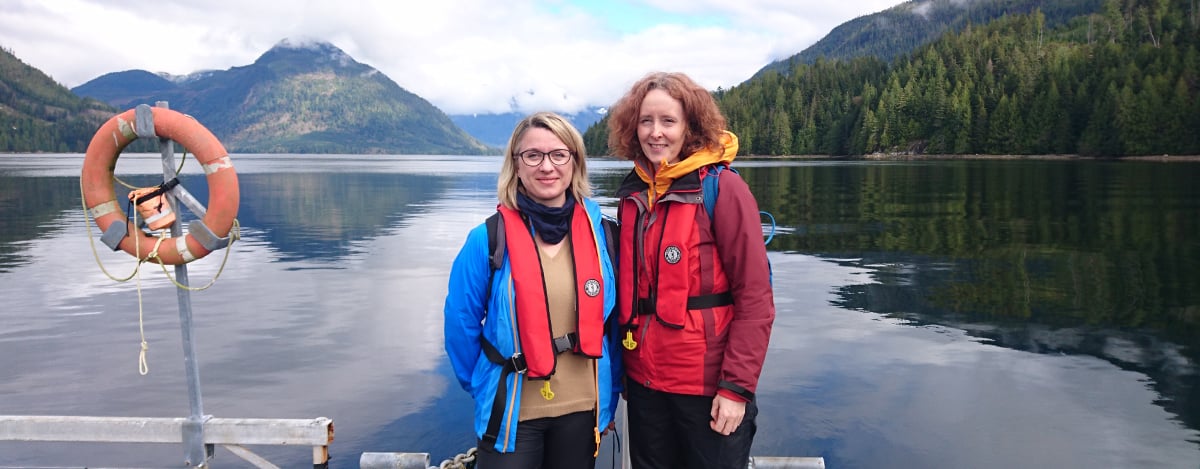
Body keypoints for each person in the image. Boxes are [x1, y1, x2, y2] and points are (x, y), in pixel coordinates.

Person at [606, 71, 776, 468]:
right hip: (645, 385)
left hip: (706, 388)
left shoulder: (723, 188)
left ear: (690, 128)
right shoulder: (633, 195)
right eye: (646, 121)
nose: (656, 133)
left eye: (668, 121)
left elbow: (756, 299)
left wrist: (736, 388)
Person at [443, 111, 621, 468]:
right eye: (533, 155)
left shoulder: (607, 236)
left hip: (583, 411)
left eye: (559, 154)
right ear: (517, 165)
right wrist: (481, 384)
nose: (547, 167)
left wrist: (610, 396)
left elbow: (614, 329)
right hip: (511, 414)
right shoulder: (487, 240)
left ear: (574, 162)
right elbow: (460, 326)